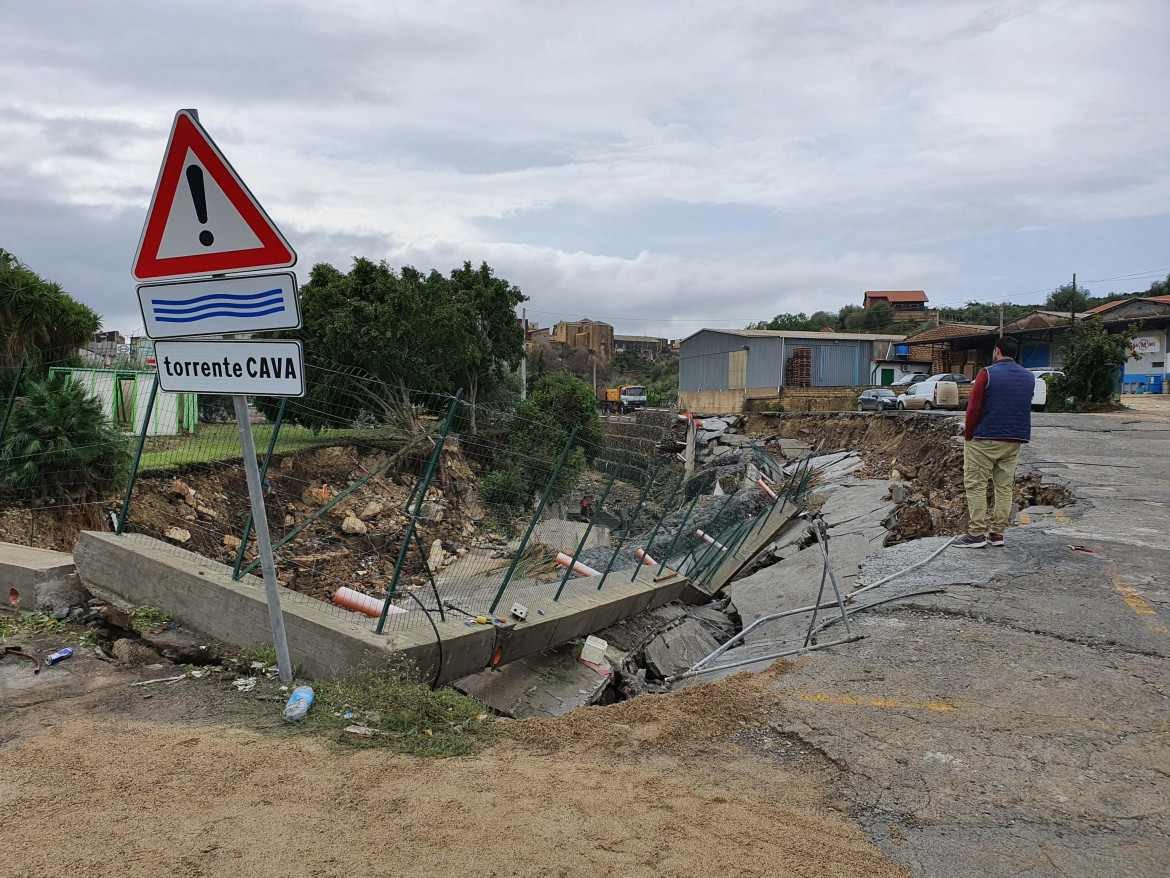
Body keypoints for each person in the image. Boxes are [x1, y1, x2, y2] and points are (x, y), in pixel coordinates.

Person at [954, 337, 1035, 548]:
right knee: (1004, 487)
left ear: (996, 351)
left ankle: (976, 534)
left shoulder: (986, 373)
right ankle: (997, 534)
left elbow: (973, 408)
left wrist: (969, 434)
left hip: (985, 438)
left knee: (976, 485)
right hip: (1014, 439)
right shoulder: (1029, 377)